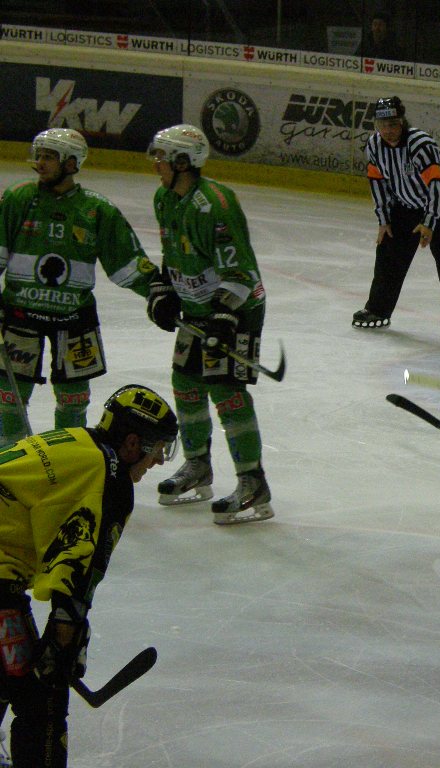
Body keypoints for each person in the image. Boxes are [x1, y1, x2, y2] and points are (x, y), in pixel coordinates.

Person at [0, 383, 178, 768]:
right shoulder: (111, 479)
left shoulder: (78, 442)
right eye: (158, 448)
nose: (159, 461)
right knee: (44, 699)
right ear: (133, 443)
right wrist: (63, 641)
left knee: (9, 675)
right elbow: (79, 569)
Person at [144, 124, 274, 525]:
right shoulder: (165, 198)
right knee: (185, 383)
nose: (156, 165)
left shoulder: (217, 204)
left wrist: (224, 317)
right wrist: (165, 290)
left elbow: (242, 271)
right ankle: (198, 465)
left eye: (162, 158)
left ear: (184, 162)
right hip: (197, 308)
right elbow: (173, 252)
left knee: (226, 390)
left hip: (237, 309)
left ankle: (253, 481)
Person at [0, 128, 160, 445]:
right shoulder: (17, 199)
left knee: (74, 401)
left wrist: (157, 290)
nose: (40, 163)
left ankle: (66, 459)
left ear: (72, 163)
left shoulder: (97, 210)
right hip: (20, 313)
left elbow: (126, 263)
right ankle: (8, 461)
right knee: (9, 397)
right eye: (39, 155)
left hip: (74, 319)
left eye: (49, 156)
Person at [352, 97, 440, 343]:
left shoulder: (420, 144)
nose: (387, 130)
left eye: (393, 124)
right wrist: (384, 220)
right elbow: (377, 183)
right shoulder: (374, 145)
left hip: (438, 205)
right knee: (388, 252)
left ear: (402, 122)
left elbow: (437, 185)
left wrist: (429, 222)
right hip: (404, 205)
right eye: (382, 125)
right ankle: (378, 309)